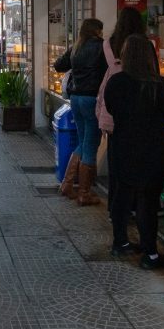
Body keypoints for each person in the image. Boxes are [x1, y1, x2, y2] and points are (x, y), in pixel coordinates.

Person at [103, 35, 164, 268]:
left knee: (122, 195)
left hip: (122, 147)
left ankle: (120, 242)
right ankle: (150, 254)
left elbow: (111, 108)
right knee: (147, 200)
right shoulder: (157, 84)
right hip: (153, 151)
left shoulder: (116, 82)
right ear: (151, 58)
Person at [97, 7, 146, 219]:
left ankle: (115, 207)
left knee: (116, 160)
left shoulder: (108, 44)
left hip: (112, 105)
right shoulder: (143, 45)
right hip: (138, 109)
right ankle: (134, 206)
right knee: (137, 162)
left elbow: (102, 73)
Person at [53, 18, 108, 206]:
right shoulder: (103, 47)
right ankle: (84, 192)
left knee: (84, 141)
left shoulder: (77, 46)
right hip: (93, 100)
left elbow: (58, 65)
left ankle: (67, 184)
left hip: (76, 99)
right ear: (98, 31)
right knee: (91, 143)